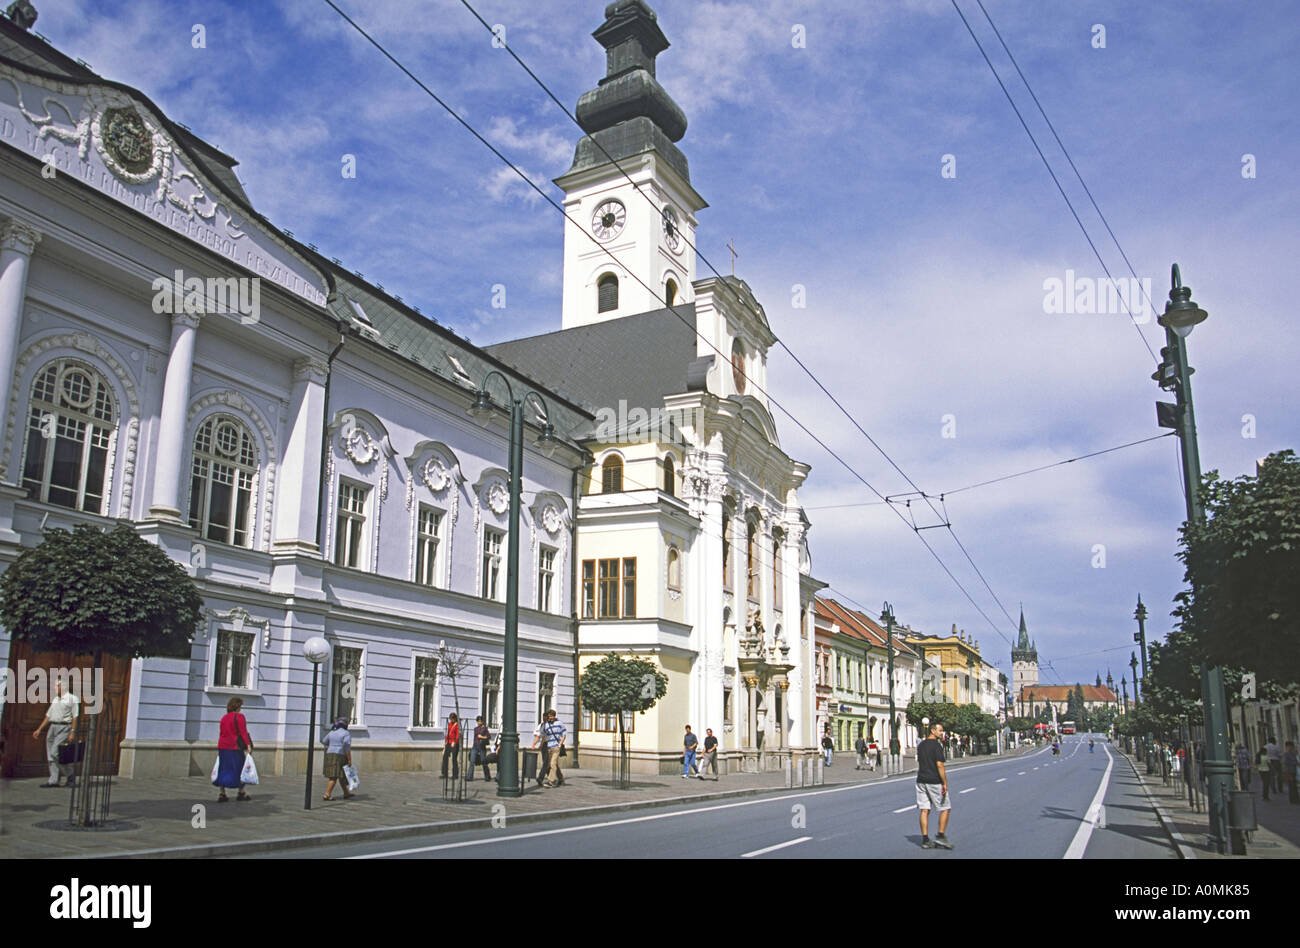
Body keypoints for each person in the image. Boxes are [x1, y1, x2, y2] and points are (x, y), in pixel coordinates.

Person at [32, 676, 79, 788]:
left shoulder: (72, 699)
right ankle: (54, 780)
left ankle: (70, 774)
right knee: (50, 755)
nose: (54, 688)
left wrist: (72, 732)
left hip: (64, 728)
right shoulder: (55, 699)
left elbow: (75, 717)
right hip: (52, 727)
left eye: (56, 686)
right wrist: (39, 729)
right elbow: (48, 716)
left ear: (63, 687)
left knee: (54, 753)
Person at [916, 722, 952, 850]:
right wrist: (944, 783)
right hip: (934, 781)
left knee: (924, 809)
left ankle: (925, 840)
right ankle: (941, 836)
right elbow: (940, 765)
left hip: (921, 780)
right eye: (940, 730)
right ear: (932, 731)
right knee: (945, 808)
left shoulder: (921, 745)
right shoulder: (937, 746)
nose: (942, 733)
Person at [214, 696, 253, 802]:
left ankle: (222, 793)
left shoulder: (224, 718)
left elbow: (222, 732)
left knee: (223, 769)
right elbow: (243, 732)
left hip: (223, 746)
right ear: (237, 706)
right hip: (234, 747)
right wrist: (248, 745)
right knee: (240, 768)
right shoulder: (239, 717)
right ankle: (241, 792)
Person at [321, 716, 354, 800]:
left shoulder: (332, 732)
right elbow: (347, 747)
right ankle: (327, 794)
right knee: (334, 776)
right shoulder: (346, 733)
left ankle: (346, 793)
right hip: (340, 755)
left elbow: (324, 741)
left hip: (329, 754)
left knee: (341, 775)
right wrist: (349, 759)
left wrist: (328, 747)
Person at [539, 709, 566, 787]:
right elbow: (544, 736)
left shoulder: (560, 723)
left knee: (552, 763)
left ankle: (550, 781)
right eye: (549, 717)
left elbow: (564, 734)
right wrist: (541, 744)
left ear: (554, 716)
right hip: (549, 747)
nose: (550, 718)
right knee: (554, 764)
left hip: (556, 747)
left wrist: (560, 744)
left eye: (551, 716)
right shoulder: (546, 725)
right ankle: (560, 778)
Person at [530, 714, 552, 787]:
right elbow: (540, 736)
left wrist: (537, 744)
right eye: (543, 717)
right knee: (547, 762)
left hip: (549, 745)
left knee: (548, 762)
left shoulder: (548, 725)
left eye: (545, 717)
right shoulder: (542, 725)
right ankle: (542, 778)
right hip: (546, 745)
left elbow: (542, 737)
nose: (544, 719)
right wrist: (534, 744)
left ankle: (551, 778)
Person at [468, 715, 492, 782]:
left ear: (482, 721)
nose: (479, 722)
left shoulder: (485, 729)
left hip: (482, 747)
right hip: (475, 746)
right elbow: (476, 736)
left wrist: (482, 737)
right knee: (472, 761)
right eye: (478, 721)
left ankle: (487, 776)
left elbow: (489, 736)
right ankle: (469, 776)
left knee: (483, 761)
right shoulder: (475, 729)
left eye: (480, 721)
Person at [441, 712, 460, 782]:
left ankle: (455, 774)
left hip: (454, 743)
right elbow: (448, 734)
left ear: (455, 719)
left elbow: (458, 735)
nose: (451, 720)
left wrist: (455, 742)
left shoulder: (457, 725)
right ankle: (444, 773)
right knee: (445, 757)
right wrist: (445, 742)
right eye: (450, 719)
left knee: (454, 758)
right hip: (449, 742)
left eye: (452, 719)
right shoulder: (449, 724)